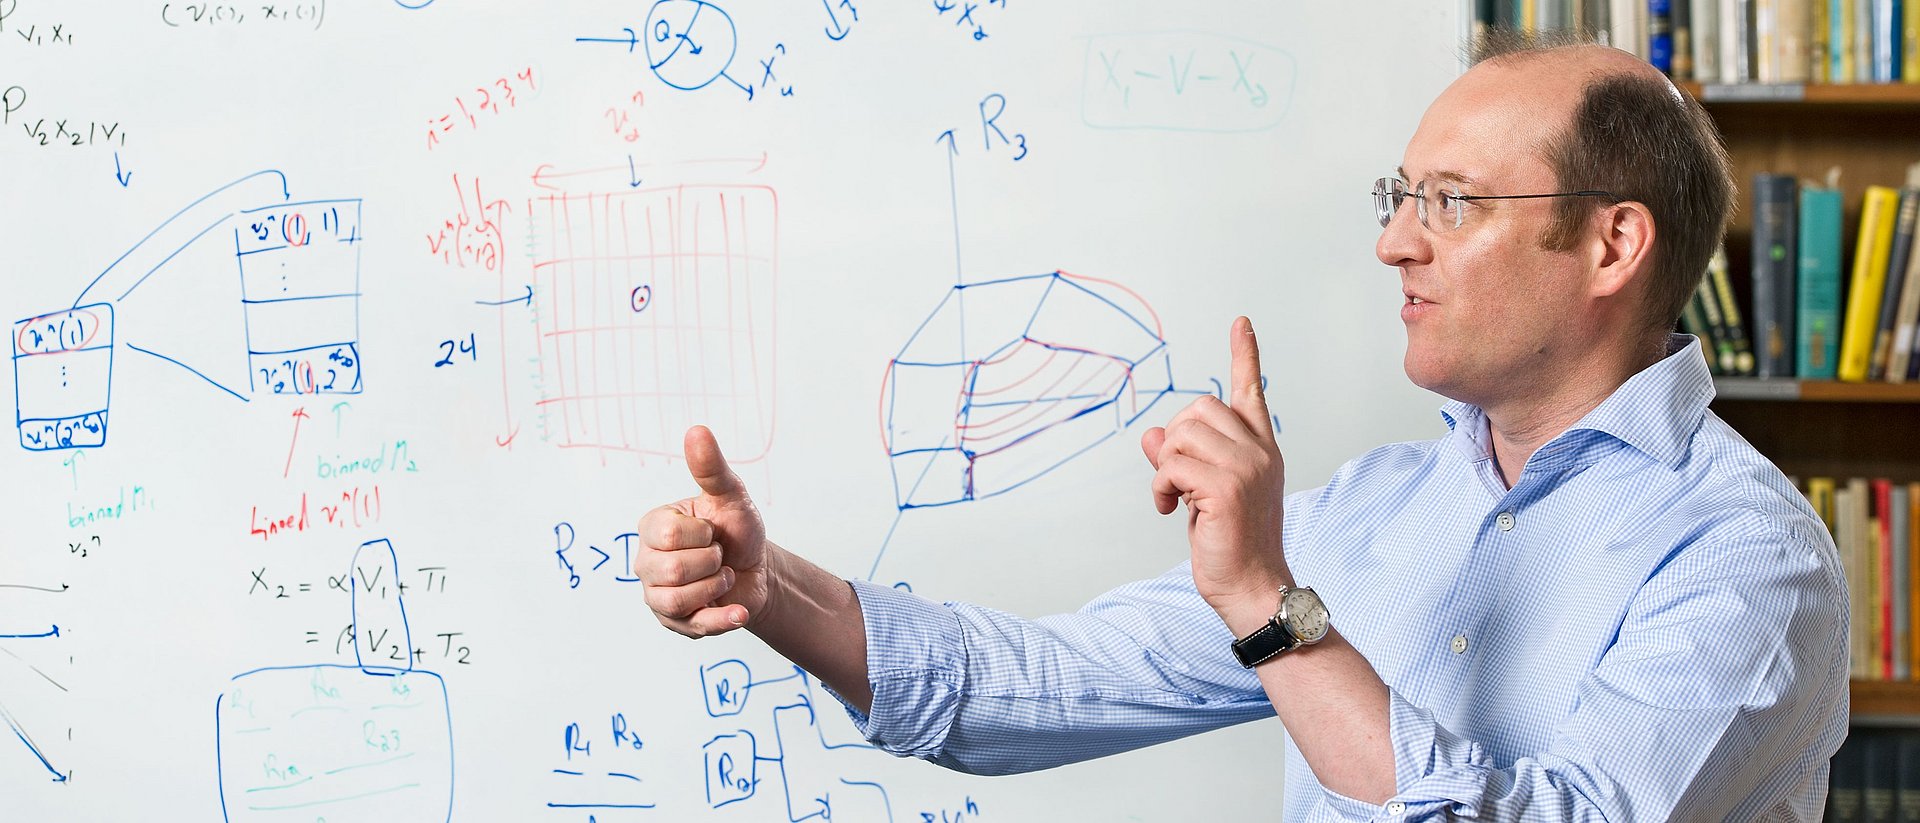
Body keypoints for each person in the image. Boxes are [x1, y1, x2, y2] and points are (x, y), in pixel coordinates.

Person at [635, 35, 1849, 821]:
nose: (1393, 242)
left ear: (1612, 244)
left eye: (1451, 203)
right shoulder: (1379, 507)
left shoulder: (1750, 557)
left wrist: (1275, 605)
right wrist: (770, 587)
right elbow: (1026, 685)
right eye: (1399, 196)